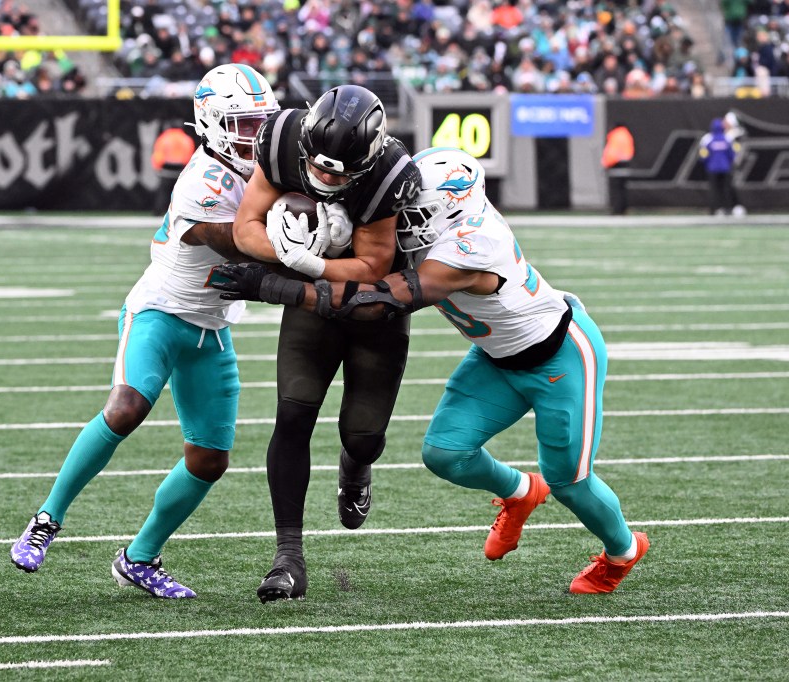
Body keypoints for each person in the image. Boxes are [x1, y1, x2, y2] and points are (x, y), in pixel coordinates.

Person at [214, 147, 649, 594]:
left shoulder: (471, 246)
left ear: (446, 211)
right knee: (445, 453)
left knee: (569, 482)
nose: (402, 219)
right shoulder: (443, 222)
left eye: (413, 212)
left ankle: (622, 552)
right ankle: (521, 493)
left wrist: (272, 285)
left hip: (559, 357)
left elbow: (378, 300)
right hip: (495, 358)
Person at [8, 64, 280, 598]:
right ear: (213, 122)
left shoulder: (267, 167)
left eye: (260, 123)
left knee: (209, 459)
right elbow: (246, 246)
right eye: (243, 124)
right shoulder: (202, 180)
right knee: (127, 407)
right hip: (161, 312)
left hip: (211, 331)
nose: (255, 136)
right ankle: (46, 520)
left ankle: (140, 557)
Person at [232, 84, 421, 602]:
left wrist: (309, 264)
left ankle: (355, 469)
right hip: (312, 303)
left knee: (363, 436)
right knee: (293, 412)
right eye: (319, 168)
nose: (327, 179)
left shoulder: (388, 173)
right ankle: (288, 558)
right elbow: (245, 225)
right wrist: (284, 250)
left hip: (373, 309)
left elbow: (373, 266)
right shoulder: (281, 138)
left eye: (341, 174)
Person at [150, 122, 196, 216]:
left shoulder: (163, 138)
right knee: (182, 193)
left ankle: (158, 212)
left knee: (163, 192)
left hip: (166, 171)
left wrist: (157, 167)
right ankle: (183, 212)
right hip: (181, 170)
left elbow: (158, 154)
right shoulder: (186, 139)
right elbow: (189, 155)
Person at [698, 118, 738, 216]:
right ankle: (728, 209)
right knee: (726, 189)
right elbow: (732, 154)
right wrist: (729, 162)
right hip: (725, 168)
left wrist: (707, 163)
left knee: (714, 190)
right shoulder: (727, 138)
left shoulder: (707, 139)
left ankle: (714, 210)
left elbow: (703, 154)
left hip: (712, 169)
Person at [601, 122, 634, 216]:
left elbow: (612, 153)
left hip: (615, 166)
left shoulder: (615, 136)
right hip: (626, 165)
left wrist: (606, 164)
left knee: (616, 190)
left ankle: (617, 210)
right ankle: (624, 209)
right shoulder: (627, 135)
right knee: (623, 189)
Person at [722, 112, 747, 216]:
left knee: (733, 185)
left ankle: (738, 206)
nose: (723, 123)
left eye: (726, 121)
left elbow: (738, 151)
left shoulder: (736, 134)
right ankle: (729, 206)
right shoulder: (728, 134)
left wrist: (734, 162)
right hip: (725, 164)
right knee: (726, 186)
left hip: (734, 164)